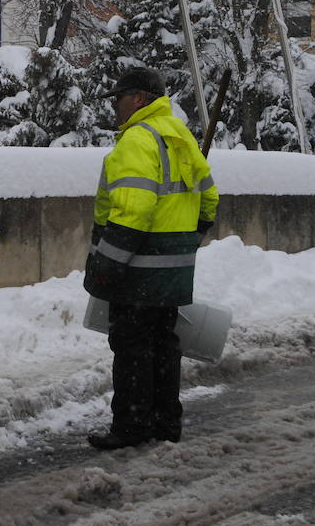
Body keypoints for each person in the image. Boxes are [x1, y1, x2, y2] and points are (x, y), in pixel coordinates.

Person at [84, 67, 219, 449]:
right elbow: (209, 198)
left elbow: (132, 213)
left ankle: (132, 426)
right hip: (173, 268)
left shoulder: (137, 140)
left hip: (138, 267)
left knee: (131, 347)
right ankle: (165, 424)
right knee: (164, 344)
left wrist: (105, 267)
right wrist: (188, 239)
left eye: (119, 97)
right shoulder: (180, 135)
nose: (115, 105)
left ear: (138, 99)